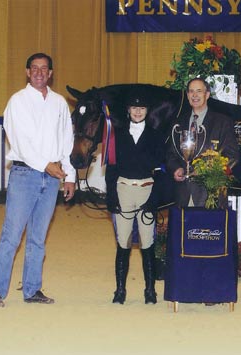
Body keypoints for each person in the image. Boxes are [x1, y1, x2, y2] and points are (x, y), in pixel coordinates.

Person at [0, 53, 75, 307]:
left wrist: (68, 175)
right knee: (11, 235)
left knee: (38, 237)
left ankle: (32, 290)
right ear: (27, 72)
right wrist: (47, 166)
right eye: (34, 68)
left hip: (52, 179)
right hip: (25, 175)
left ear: (50, 73)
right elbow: (20, 142)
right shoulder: (18, 101)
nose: (39, 72)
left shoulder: (59, 103)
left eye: (44, 68)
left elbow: (66, 142)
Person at [105, 89, 165, 305]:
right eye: (134, 108)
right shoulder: (117, 136)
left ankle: (150, 290)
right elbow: (111, 170)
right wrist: (111, 196)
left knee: (148, 242)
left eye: (142, 108)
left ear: (147, 111)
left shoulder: (156, 135)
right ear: (128, 110)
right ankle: (120, 290)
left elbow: (160, 172)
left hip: (146, 188)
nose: (138, 111)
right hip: (124, 189)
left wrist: (154, 199)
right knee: (123, 242)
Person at [166, 77, 239, 208]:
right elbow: (171, 154)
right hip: (182, 195)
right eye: (191, 91)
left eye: (199, 91)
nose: (195, 95)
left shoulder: (222, 122)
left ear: (207, 95)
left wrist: (204, 170)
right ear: (187, 95)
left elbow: (232, 156)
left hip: (210, 195)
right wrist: (176, 168)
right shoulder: (178, 122)